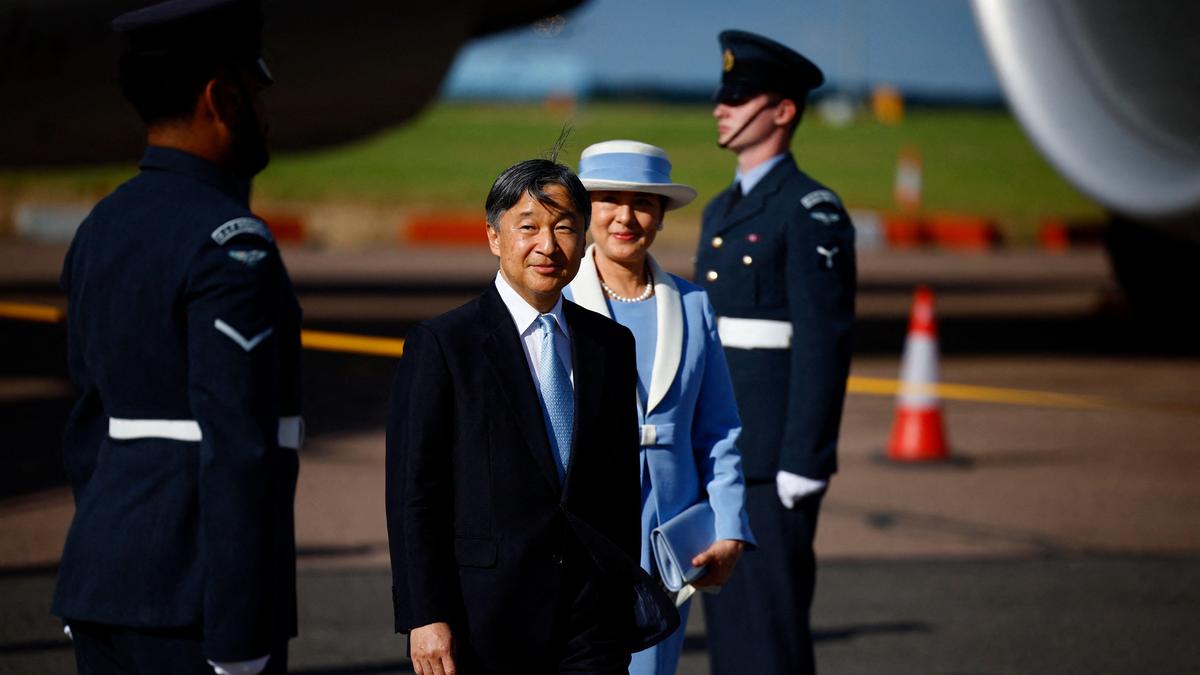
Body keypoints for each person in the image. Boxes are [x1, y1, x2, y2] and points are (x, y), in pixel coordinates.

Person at [50, 1, 300, 674]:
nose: (266, 111)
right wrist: (242, 636)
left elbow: (86, 425)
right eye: (256, 92)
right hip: (198, 607)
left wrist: (97, 572)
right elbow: (238, 447)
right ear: (220, 99)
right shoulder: (230, 244)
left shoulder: (100, 227)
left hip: (102, 584)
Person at [386, 157, 677, 675]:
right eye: (529, 227)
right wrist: (425, 615)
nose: (548, 245)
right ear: (495, 237)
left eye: (564, 227)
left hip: (589, 619)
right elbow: (415, 494)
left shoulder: (609, 344)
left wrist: (619, 596)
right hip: (483, 616)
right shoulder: (444, 344)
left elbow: (618, 488)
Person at [695, 30, 857, 675]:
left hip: (771, 461)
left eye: (740, 96)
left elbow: (824, 340)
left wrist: (805, 459)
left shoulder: (808, 209)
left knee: (771, 629)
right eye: (722, 95)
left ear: (783, 110)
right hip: (722, 449)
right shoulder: (718, 210)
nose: (721, 107)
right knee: (729, 625)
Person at [563, 140, 755, 675]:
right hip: (579, 536)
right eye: (609, 200)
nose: (626, 217)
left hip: (668, 545)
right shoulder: (556, 300)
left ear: (662, 216)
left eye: (644, 202)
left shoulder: (693, 305)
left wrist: (730, 526)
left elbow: (719, 430)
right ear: (584, 212)